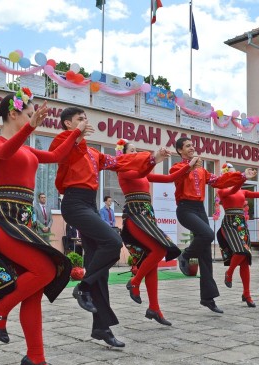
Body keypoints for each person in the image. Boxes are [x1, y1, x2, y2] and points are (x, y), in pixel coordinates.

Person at [0, 88, 84, 365]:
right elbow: (4, 152)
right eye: (28, 113)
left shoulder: (26, 148)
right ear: (14, 113)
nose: (32, 118)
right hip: (3, 219)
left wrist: (76, 134)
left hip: (25, 220)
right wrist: (30, 127)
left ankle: (36, 357)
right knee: (47, 269)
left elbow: (55, 155)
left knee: (35, 287)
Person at [49, 107, 169, 348]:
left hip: (89, 205)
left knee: (100, 268)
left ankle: (101, 328)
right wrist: (77, 134)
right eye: (79, 119)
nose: (85, 122)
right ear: (67, 124)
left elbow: (122, 162)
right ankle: (82, 287)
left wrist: (152, 158)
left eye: (85, 118)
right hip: (73, 203)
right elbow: (57, 154)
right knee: (113, 243)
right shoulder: (64, 142)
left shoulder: (93, 153)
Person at [118, 141, 198, 326]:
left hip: (147, 215)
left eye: (136, 151)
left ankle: (154, 308)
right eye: (131, 151)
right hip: (135, 216)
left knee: (152, 260)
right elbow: (139, 172)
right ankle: (135, 281)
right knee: (160, 250)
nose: (135, 153)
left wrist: (188, 166)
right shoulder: (124, 170)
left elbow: (169, 179)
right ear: (123, 155)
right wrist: (154, 160)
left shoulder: (144, 174)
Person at [170, 137, 248, 313]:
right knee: (207, 235)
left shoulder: (202, 171)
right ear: (180, 151)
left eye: (192, 145)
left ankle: (207, 298)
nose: (192, 148)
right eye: (188, 146)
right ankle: (185, 255)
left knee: (205, 254)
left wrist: (241, 176)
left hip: (199, 209)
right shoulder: (176, 168)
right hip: (185, 209)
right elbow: (177, 176)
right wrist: (189, 165)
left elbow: (220, 181)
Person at [217, 163, 259, 307]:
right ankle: (229, 272)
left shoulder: (243, 192)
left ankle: (247, 294)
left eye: (237, 174)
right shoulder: (221, 190)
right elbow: (232, 190)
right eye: (233, 174)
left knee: (245, 260)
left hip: (241, 225)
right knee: (241, 250)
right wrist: (243, 178)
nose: (236, 176)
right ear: (226, 176)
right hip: (229, 224)